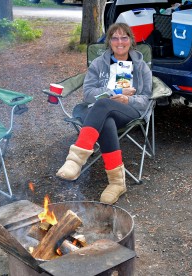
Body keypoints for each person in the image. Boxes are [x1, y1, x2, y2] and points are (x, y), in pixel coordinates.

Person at [56, 23, 152, 204]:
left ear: (131, 41)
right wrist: (114, 93)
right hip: (99, 110)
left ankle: (76, 160)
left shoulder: (140, 66)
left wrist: (127, 100)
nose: (120, 42)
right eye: (115, 38)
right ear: (109, 42)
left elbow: (146, 98)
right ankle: (117, 183)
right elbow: (87, 93)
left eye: (124, 37)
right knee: (105, 114)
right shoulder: (99, 63)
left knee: (102, 106)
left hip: (128, 111)